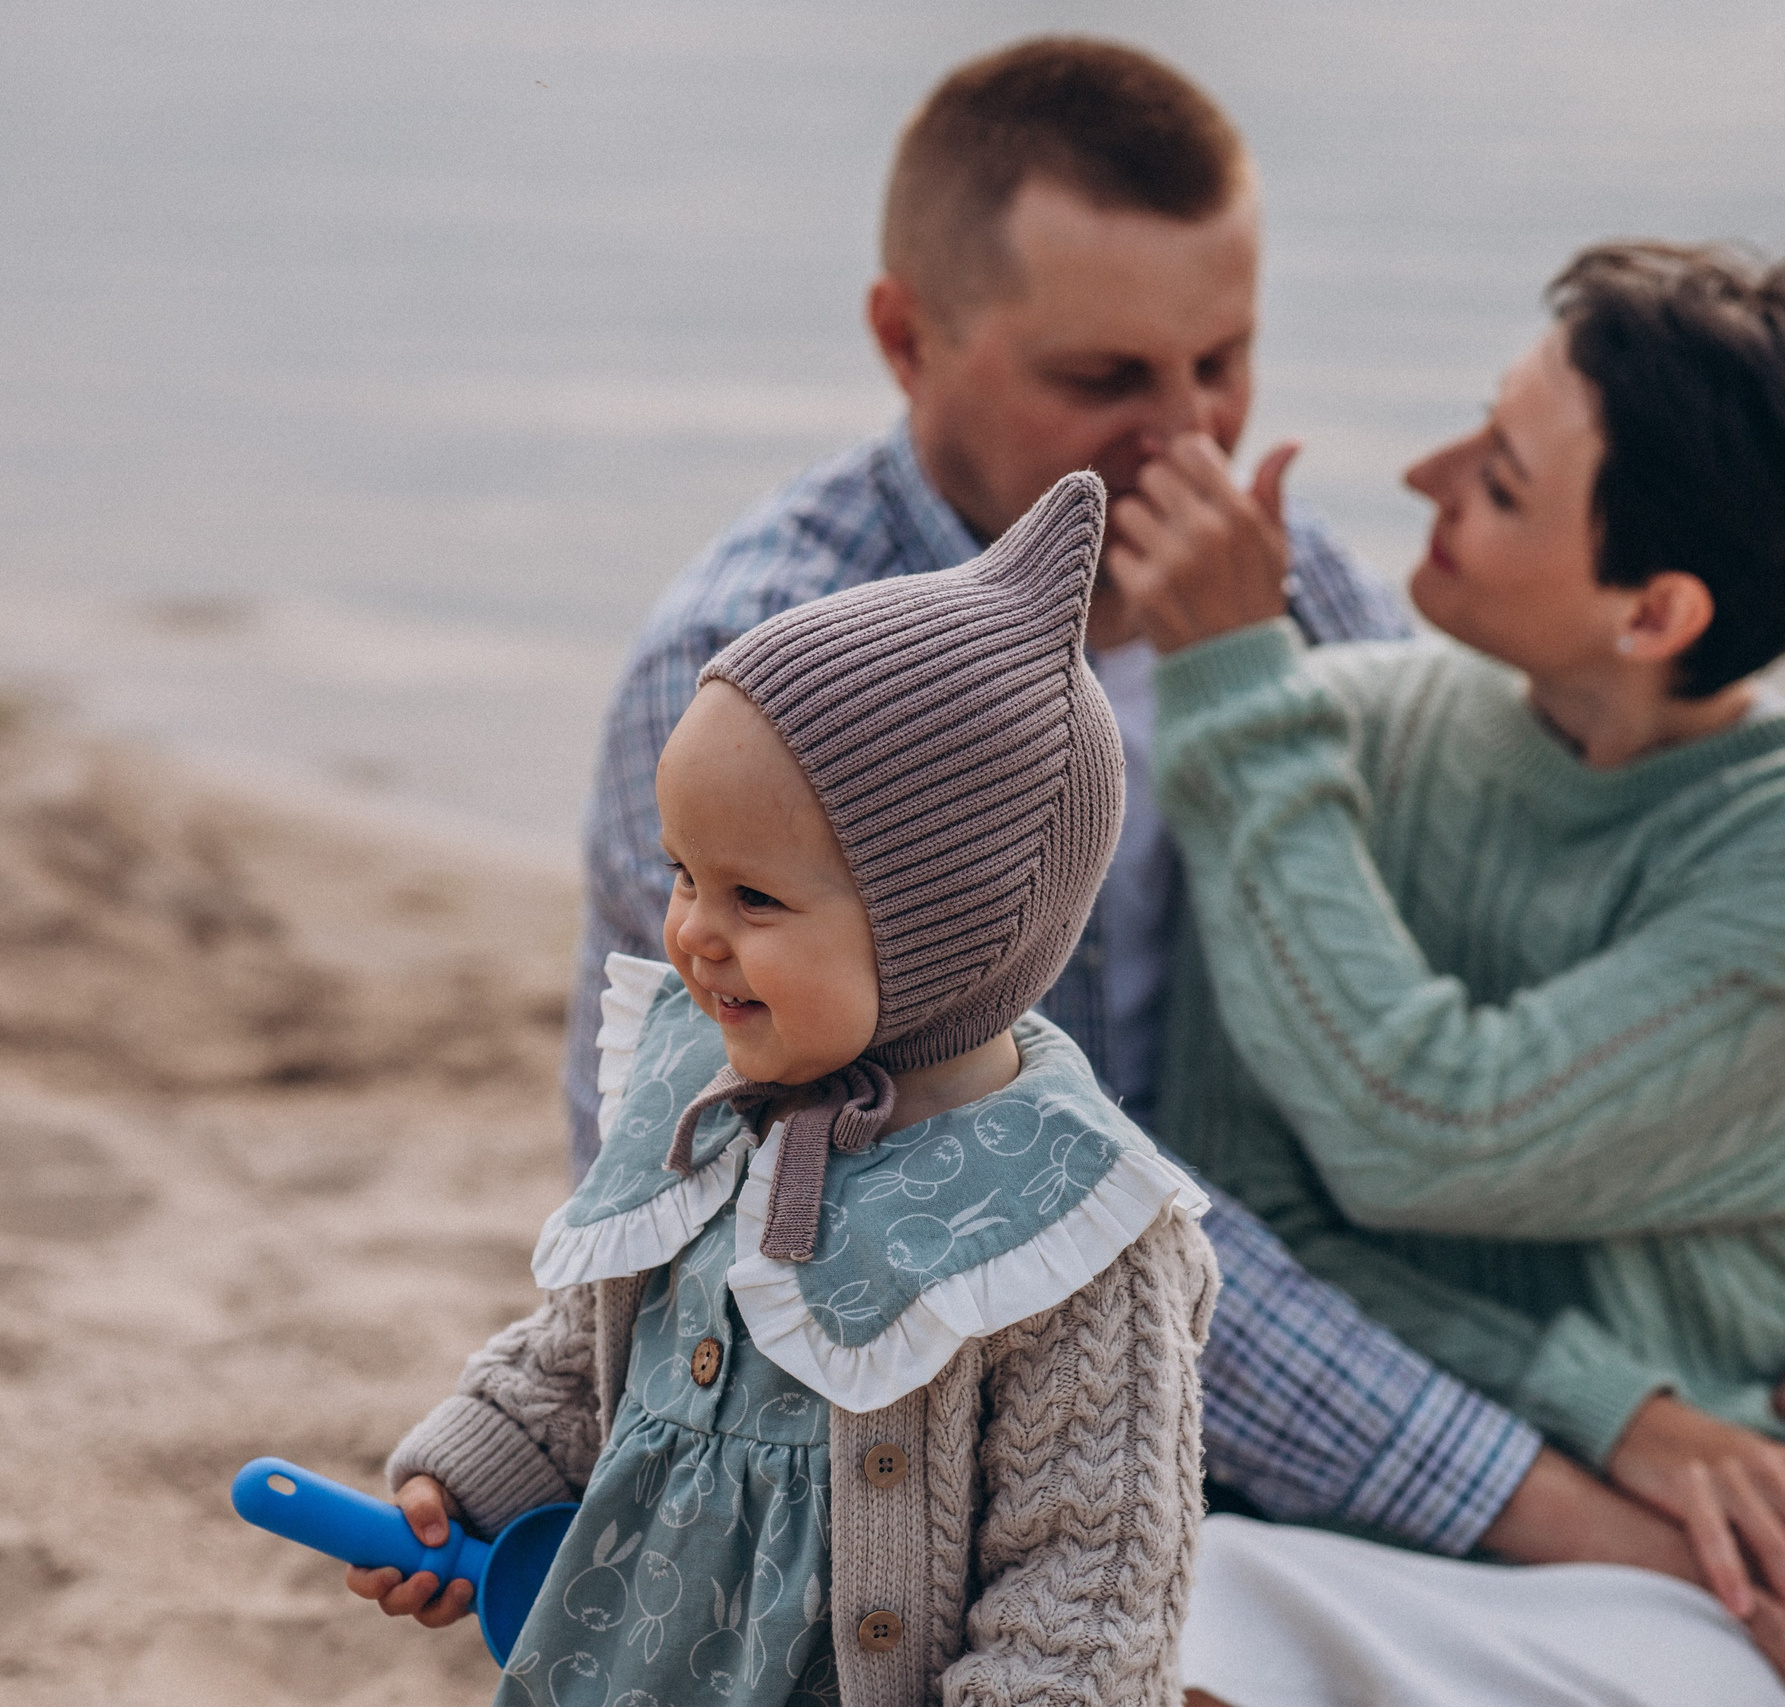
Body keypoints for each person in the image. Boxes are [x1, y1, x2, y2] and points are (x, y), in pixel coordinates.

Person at [562, 35, 1785, 1707]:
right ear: (906, 339)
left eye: (1224, 362)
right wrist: (1583, 1489)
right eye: (1104, 379)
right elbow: (1019, 1212)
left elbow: (1654, 1014)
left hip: (1505, 1370)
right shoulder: (764, 687)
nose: (1183, 440)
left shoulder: (1289, 603)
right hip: (985, 1444)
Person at [1116, 239, 1785, 1704]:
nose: (1425, 472)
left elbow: (1431, 1130)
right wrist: (1605, 1408)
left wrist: (1230, 691)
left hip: (1780, 1519)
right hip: (1441, 1517)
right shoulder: (1324, 738)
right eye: (1480, 418)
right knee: (1169, 1626)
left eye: (1503, 478)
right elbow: (1257, 1215)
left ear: (1655, 612)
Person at [353, 475, 1221, 1704]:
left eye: (754, 897)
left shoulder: (1065, 1224)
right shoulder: (712, 1096)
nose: (694, 932)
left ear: (951, 931)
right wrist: (477, 1474)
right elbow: (586, 1352)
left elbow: (1087, 1582)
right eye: (683, 874)